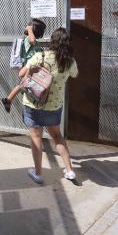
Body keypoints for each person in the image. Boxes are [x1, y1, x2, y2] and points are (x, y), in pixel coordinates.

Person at [19, 27, 78, 184]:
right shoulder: (70, 61)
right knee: (57, 137)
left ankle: (38, 173)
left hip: (33, 103)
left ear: (52, 41)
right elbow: (75, 74)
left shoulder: (40, 56)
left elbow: (21, 73)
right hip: (54, 105)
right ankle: (70, 170)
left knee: (36, 137)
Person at [1, 18, 46, 112]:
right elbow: (32, 40)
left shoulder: (32, 41)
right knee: (24, 84)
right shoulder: (29, 40)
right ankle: (9, 99)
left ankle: (8, 100)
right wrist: (29, 29)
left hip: (32, 67)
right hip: (28, 66)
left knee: (23, 85)